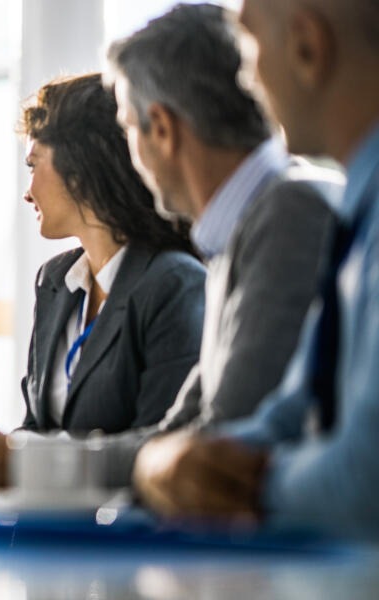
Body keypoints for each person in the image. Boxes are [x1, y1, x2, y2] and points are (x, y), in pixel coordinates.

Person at [132, 0, 379, 538]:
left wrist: (229, 480)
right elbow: (286, 413)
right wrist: (168, 464)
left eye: (249, 44)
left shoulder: (301, 210)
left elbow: (367, 478)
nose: (244, 76)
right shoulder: (355, 213)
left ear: (308, 48)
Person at [73, 2, 339, 487]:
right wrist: (22, 461)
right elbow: (176, 435)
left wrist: (20, 463)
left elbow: (220, 444)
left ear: (163, 129)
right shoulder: (239, 229)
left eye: (128, 127)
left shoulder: (288, 215)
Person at [0, 73, 206, 483]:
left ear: (80, 169)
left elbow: (164, 450)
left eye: (33, 165)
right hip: (50, 528)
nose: (27, 192)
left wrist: (12, 456)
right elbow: (38, 428)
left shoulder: (175, 285)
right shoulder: (55, 281)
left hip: (128, 536)